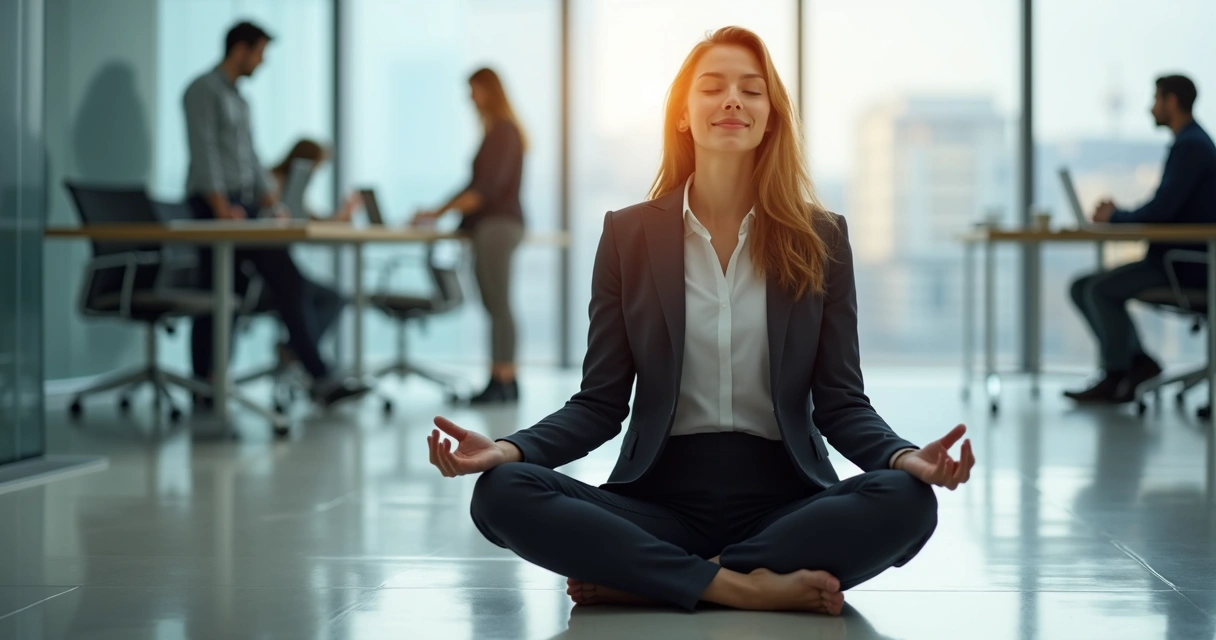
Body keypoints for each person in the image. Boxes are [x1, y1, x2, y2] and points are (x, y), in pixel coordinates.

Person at [423, 27, 975, 615]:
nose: (733, 100)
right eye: (713, 87)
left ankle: (651, 580)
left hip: (786, 503)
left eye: (752, 90)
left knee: (910, 502)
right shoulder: (627, 234)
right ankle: (738, 586)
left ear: (771, 117)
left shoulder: (822, 237)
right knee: (501, 494)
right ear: (684, 114)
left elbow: (840, 402)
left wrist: (902, 457)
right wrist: (508, 449)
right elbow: (599, 403)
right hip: (660, 501)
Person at [183, 21, 369, 407]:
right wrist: (220, 208)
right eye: (260, 52)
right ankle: (207, 384)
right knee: (221, 293)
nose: (262, 61)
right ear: (240, 50)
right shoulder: (202, 90)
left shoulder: (241, 100)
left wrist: (271, 200)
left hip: (244, 206)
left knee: (267, 285)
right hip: (214, 204)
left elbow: (250, 156)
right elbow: (205, 152)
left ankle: (313, 375)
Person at [1065, 74, 1216, 404]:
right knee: (1082, 286)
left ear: (1171, 101)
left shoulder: (1191, 146)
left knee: (1097, 289)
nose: (1151, 108)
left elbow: (1161, 210)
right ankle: (1139, 364)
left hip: (1185, 266)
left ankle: (1117, 375)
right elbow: (1165, 207)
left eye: (1156, 100)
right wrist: (1118, 215)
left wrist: (1115, 216)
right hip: (1177, 260)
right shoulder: (1190, 142)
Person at [411, 68, 526, 405]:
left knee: (499, 304)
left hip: (497, 227)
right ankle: (504, 379)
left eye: (473, 90)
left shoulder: (503, 132)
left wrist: (437, 212)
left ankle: (502, 380)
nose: (469, 97)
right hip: (494, 228)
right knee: (496, 304)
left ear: (488, 91)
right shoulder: (497, 132)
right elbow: (473, 187)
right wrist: (441, 210)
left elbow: (482, 191)